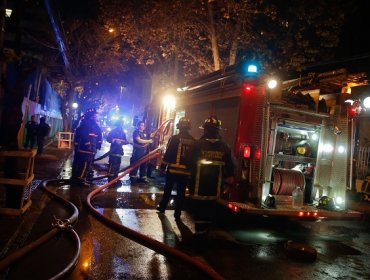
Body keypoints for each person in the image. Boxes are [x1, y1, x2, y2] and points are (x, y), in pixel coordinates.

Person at [189, 116, 236, 222]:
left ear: (205, 130)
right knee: (210, 213)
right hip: (215, 190)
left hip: (198, 190)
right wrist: (230, 178)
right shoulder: (225, 147)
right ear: (218, 131)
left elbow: (189, 162)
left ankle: (200, 232)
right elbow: (231, 165)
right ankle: (206, 232)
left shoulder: (198, 145)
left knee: (199, 214)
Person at [156, 117, 195, 220]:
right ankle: (177, 214)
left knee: (167, 190)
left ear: (179, 127)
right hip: (185, 173)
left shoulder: (174, 138)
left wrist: (162, 167)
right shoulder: (193, 140)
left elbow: (168, 153)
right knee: (181, 193)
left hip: (172, 171)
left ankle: (162, 207)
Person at [71, 108, 102, 184]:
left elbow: (98, 135)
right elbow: (83, 135)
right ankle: (80, 179)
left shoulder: (92, 124)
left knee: (86, 163)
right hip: (85, 149)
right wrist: (88, 143)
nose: (96, 117)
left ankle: (79, 178)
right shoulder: (86, 124)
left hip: (90, 149)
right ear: (91, 116)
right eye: (94, 115)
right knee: (84, 163)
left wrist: (98, 143)